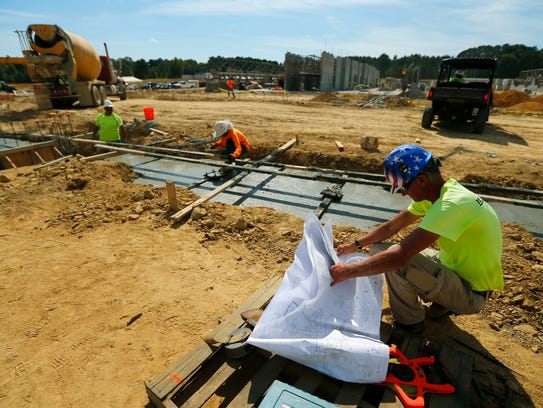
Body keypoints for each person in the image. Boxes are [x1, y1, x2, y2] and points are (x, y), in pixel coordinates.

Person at [329, 144, 504, 333]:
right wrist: (356, 244)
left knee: (396, 260)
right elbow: (391, 227)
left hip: (471, 292)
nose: (403, 193)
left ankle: (410, 323)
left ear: (421, 180)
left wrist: (346, 272)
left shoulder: (450, 205)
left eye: (404, 187)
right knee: (379, 250)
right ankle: (442, 302)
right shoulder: (438, 193)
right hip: (456, 270)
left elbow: (400, 256)